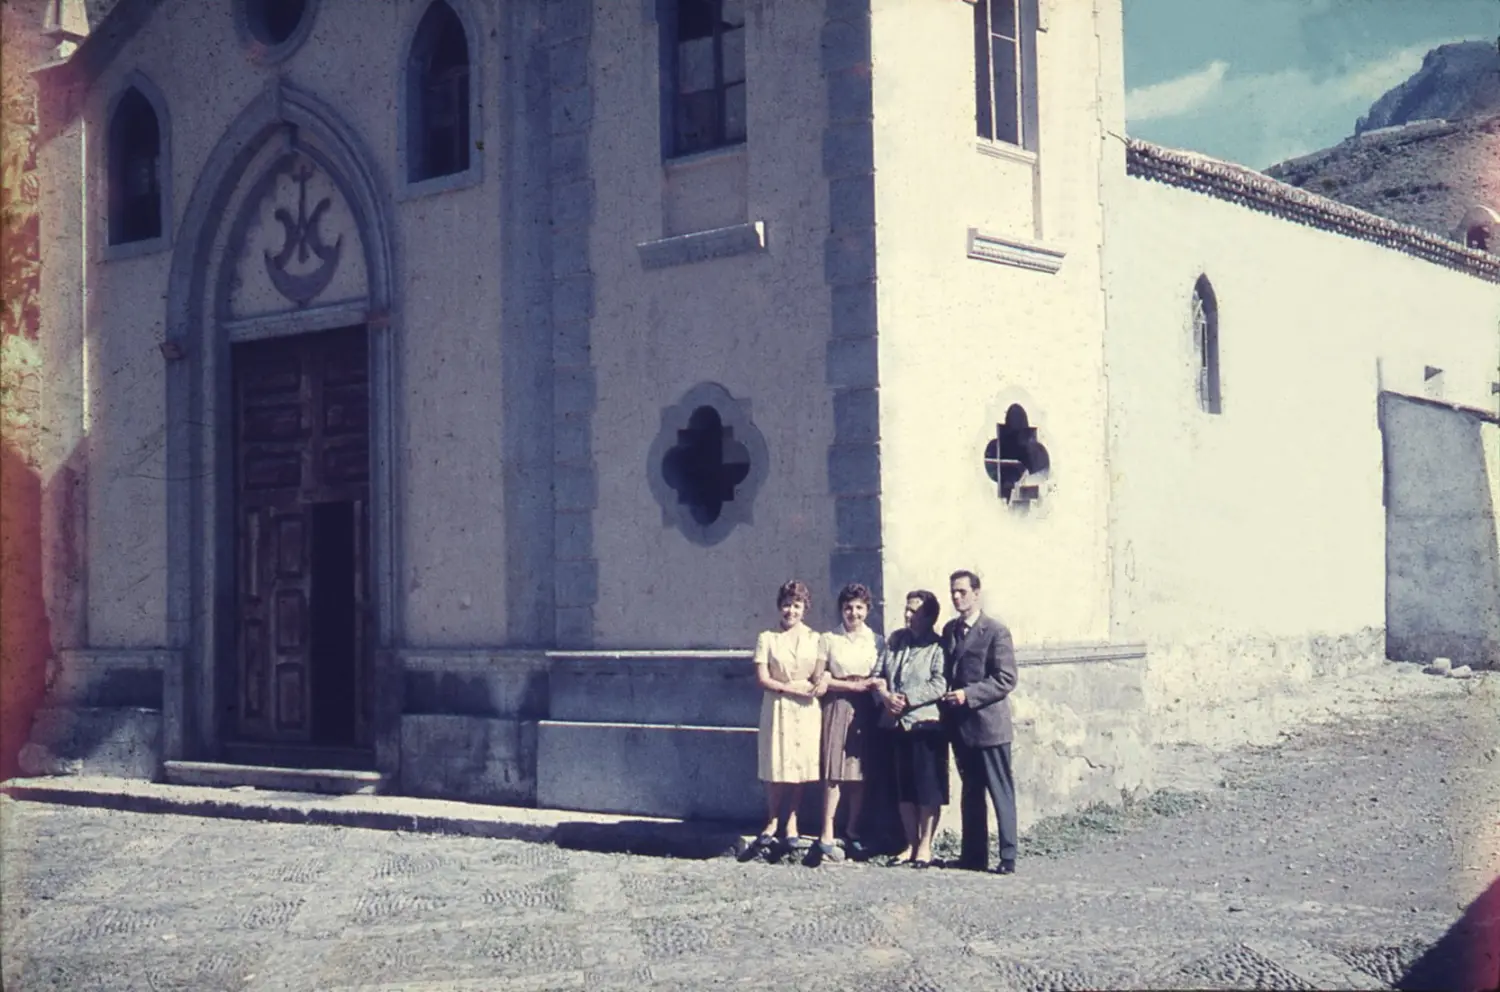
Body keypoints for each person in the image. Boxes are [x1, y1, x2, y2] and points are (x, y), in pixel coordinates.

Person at [939, 569, 1020, 874]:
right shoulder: (949, 630)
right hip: (961, 727)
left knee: (1000, 790)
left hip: (990, 726)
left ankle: (1008, 856)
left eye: (962, 591)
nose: (957, 597)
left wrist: (968, 695)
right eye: (953, 592)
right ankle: (973, 856)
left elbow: (1006, 678)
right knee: (971, 792)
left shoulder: (996, 631)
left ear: (976, 593)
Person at [873, 589, 949, 868]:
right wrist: (885, 697)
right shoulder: (896, 641)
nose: (907, 615)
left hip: (925, 724)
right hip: (896, 724)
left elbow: (940, 683)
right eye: (906, 609)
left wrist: (907, 699)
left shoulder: (938, 647)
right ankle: (910, 843)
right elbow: (878, 675)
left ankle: (926, 846)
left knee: (927, 789)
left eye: (914, 611)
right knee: (903, 789)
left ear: (929, 616)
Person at [748, 580, 825, 856]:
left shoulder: (815, 639)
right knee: (776, 764)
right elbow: (763, 678)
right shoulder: (767, 638)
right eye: (786, 605)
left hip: (805, 708)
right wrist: (790, 688)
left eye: (796, 605)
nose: (790, 611)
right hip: (778, 705)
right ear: (779, 607)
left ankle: (792, 820)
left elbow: (819, 674)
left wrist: (823, 681)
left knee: (799, 767)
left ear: (805, 608)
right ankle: (772, 819)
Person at [813, 583, 885, 863]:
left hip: (866, 708)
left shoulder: (877, 640)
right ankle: (827, 832)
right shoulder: (829, 638)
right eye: (848, 607)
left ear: (867, 610)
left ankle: (853, 829)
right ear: (841, 610)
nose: (853, 613)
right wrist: (844, 685)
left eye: (859, 608)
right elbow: (820, 677)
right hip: (838, 704)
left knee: (858, 773)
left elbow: (880, 675)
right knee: (834, 770)